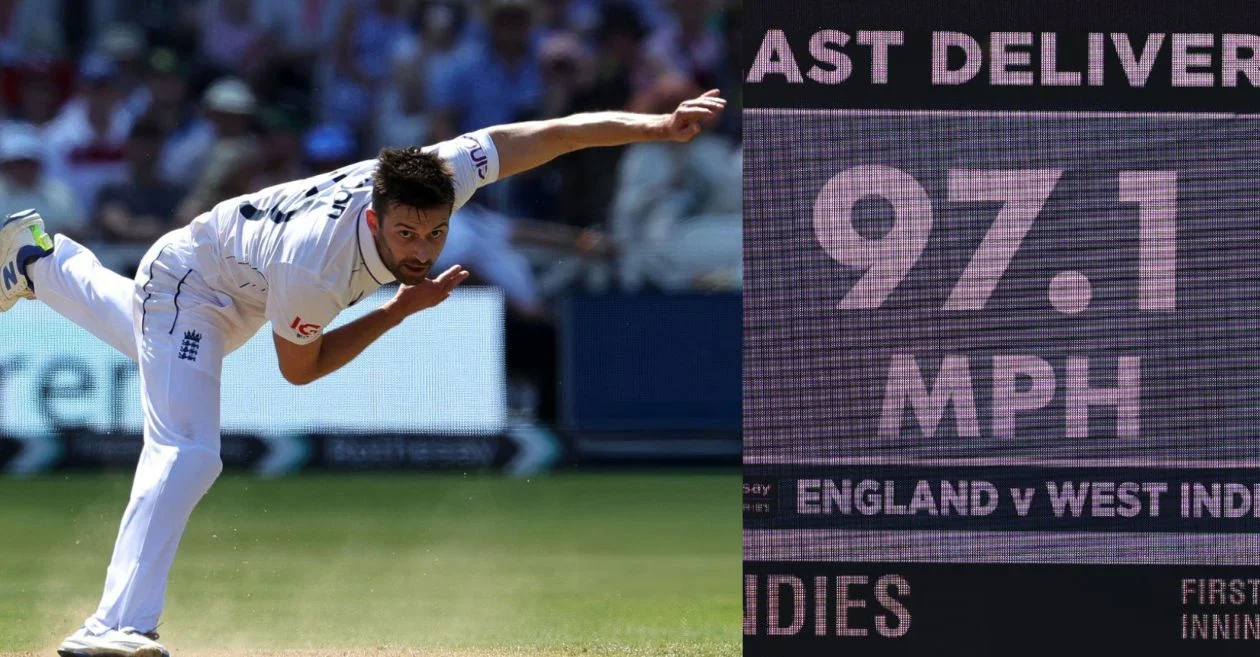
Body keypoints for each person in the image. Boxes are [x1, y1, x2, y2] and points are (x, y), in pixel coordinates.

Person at [0, 89, 726, 657]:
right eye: (406, 233)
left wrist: (655, 126)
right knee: (189, 449)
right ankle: (113, 624)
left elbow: (540, 135)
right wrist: (398, 312)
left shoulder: (437, 173)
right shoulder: (318, 268)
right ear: (375, 217)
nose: (422, 247)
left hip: (238, 276)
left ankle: (40, 261)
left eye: (435, 231)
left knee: (152, 343)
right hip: (198, 279)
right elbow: (301, 371)